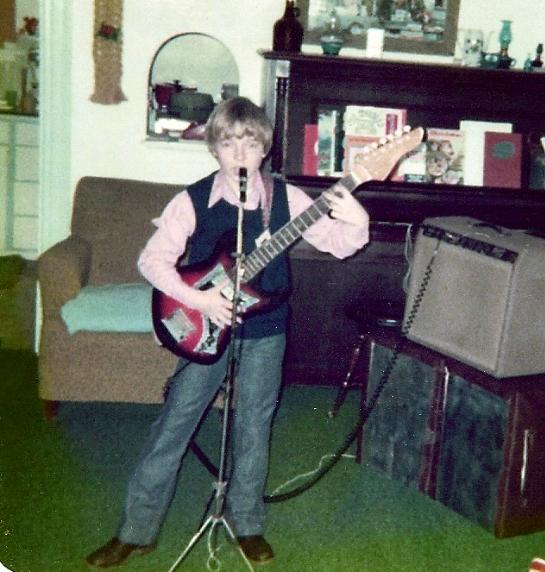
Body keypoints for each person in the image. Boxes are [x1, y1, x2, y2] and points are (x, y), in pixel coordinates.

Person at [85, 97, 370, 569]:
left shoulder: (288, 199)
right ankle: (135, 531)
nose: (240, 153)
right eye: (229, 143)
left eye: (250, 142)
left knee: (254, 425)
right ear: (214, 149)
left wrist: (358, 222)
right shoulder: (191, 201)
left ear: (264, 150)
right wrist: (200, 301)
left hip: (266, 326)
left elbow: (337, 245)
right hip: (203, 324)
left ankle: (248, 523)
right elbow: (151, 261)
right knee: (175, 422)